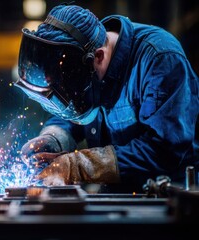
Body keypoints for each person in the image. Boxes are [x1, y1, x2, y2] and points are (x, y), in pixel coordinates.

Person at [14, 3, 199, 193]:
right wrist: (53, 137)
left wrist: (78, 165)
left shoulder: (160, 59)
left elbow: (164, 150)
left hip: (167, 199)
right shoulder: (82, 59)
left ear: (99, 57)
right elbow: (71, 109)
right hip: (116, 199)